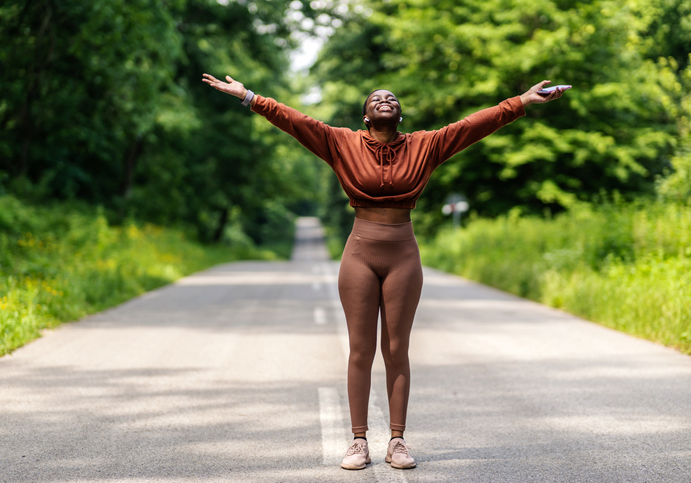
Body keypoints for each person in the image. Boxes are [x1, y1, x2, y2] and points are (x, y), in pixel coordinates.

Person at [203, 73, 566, 470]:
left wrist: (522, 101)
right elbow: (296, 121)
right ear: (365, 116)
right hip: (359, 253)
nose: (385, 99)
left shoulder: (425, 145)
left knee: (396, 350)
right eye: (376, 97)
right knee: (361, 349)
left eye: (392, 97)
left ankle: (397, 440)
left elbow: (471, 126)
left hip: (403, 255)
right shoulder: (340, 142)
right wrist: (249, 97)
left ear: (400, 115)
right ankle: (358, 441)